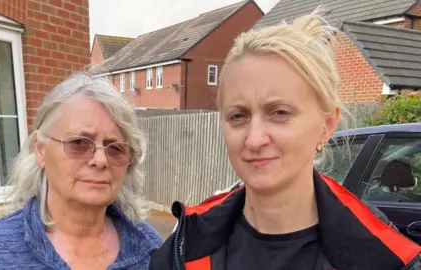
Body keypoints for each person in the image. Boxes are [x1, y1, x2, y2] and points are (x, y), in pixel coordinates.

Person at [149, 11, 421, 270]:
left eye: (279, 113)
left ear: (327, 125)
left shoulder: (380, 255)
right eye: (238, 116)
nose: (255, 140)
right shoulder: (187, 245)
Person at [0, 73, 163, 269]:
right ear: (40, 151)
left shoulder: (152, 250)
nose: (100, 160)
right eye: (79, 142)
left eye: (115, 148)